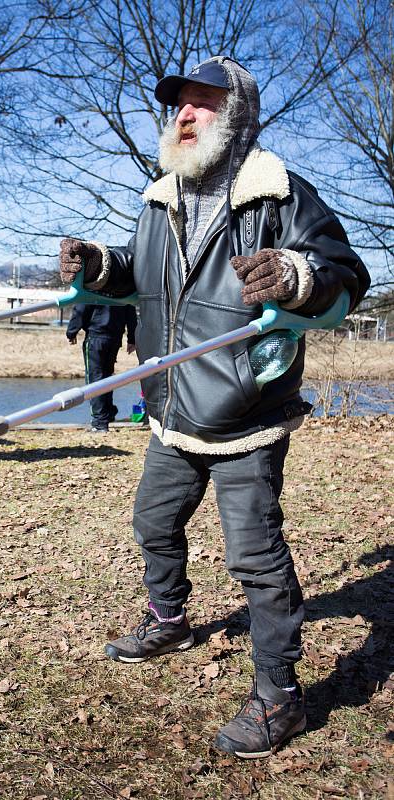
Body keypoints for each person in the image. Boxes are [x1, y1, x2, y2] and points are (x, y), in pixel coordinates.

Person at [58, 56, 370, 758]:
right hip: (171, 410)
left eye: (200, 104)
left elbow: (345, 277)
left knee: (254, 559)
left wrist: (296, 275)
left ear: (236, 117)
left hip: (244, 414)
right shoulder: (159, 196)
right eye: (179, 106)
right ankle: (167, 619)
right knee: (152, 522)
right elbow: (137, 277)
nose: (184, 115)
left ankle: (278, 696)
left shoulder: (278, 192)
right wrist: (98, 265)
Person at [66, 303, 137, 432]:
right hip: (115, 337)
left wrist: (72, 331)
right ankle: (108, 413)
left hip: (96, 335)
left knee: (94, 381)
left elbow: (81, 308)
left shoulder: (93, 285)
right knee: (107, 378)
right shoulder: (124, 285)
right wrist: (132, 338)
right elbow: (130, 311)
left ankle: (99, 423)